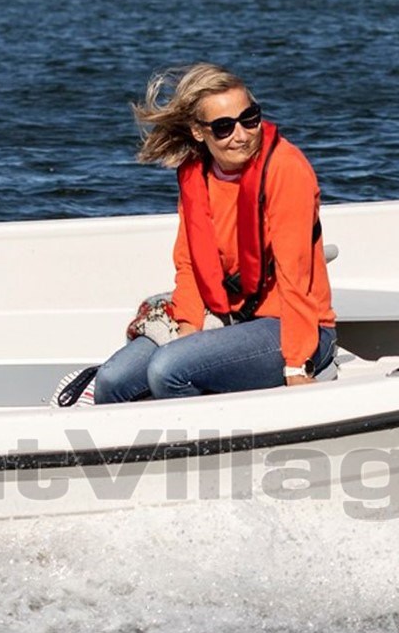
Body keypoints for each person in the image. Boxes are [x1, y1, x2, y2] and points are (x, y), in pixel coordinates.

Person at [78, 64, 336, 404]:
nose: (241, 135)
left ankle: (204, 437)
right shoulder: (195, 175)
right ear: (199, 132)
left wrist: (296, 365)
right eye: (224, 127)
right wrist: (187, 329)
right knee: (112, 381)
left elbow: (295, 275)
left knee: (168, 370)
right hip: (229, 319)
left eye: (249, 119)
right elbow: (189, 263)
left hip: (296, 328)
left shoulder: (286, 169)